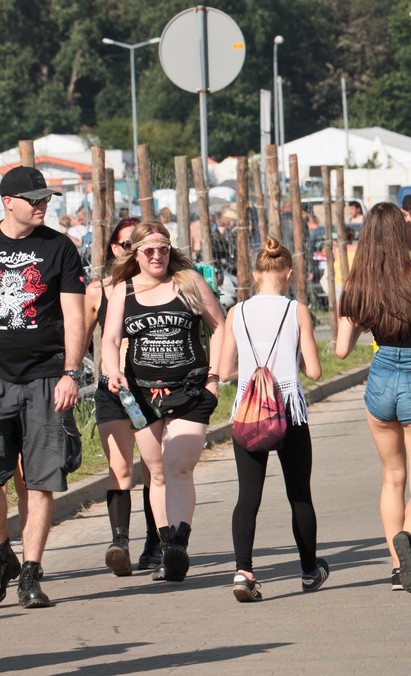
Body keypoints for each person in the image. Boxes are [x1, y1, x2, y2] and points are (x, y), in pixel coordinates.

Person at [101, 221, 225, 583]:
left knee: (179, 465)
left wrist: (214, 378)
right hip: (141, 393)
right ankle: (168, 545)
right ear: (135, 254)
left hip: (190, 388)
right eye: (149, 251)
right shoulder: (122, 291)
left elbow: (219, 326)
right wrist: (112, 371)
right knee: (155, 472)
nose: (158, 257)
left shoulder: (188, 282)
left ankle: (179, 545)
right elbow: (109, 339)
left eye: (164, 250)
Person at [335, 202, 411, 593]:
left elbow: (341, 350)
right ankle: (408, 538)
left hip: (380, 376)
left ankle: (399, 564)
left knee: (391, 479)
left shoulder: (355, 285)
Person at [218, 237, 327, 602]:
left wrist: (252, 368)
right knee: (300, 494)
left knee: (247, 496)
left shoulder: (237, 312)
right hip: (289, 412)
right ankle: (310, 570)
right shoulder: (297, 310)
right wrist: (289, 360)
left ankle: (243, 571)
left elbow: (224, 369)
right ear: (289, 273)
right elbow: (314, 371)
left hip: (248, 415)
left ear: (254, 273)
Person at [0, 166, 87, 608]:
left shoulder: (60, 248)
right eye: (33, 199)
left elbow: (75, 315)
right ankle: (2, 554)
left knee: (40, 478)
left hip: (47, 376)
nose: (41, 205)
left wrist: (71, 373)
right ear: (7, 201)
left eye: (45, 199)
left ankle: (30, 574)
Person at [84, 216, 163, 577]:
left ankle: (156, 542)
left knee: (152, 469)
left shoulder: (157, 287)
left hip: (149, 389)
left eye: (137, 244)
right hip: (112, 388)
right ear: (113, 248)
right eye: (123, 244)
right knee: (119, 468)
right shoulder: (98, 290)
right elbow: (81, 335)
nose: (129, 250)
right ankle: (120, 543)